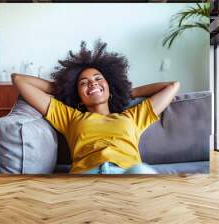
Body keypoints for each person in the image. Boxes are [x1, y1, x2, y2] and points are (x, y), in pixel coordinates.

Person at [11, 40, 180, 174]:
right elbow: (18, 79)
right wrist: (63, 89)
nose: (92, 82)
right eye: (83, 83)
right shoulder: (70, 117)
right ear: (79, 96)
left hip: (129, 173)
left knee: (143, 170)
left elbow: (172, 86)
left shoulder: (132, 116)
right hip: (85, 175)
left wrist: (129, 92)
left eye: (98, 79)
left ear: (110, 85)